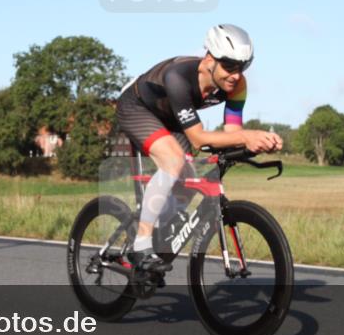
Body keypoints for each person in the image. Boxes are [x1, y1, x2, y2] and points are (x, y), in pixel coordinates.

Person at [115, 24, 283, 273]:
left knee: (188, 178)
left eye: (242, 67)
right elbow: (197, 138)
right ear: (209, 60)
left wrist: (257, 143)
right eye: (229, 66)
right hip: (136, 107)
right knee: (173, 161)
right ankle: (141, 245)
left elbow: (233, 133)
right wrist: (247, 136)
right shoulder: (178, 77)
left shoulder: (238, 85)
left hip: (171, 117)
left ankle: (158, 229)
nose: (236, 75)